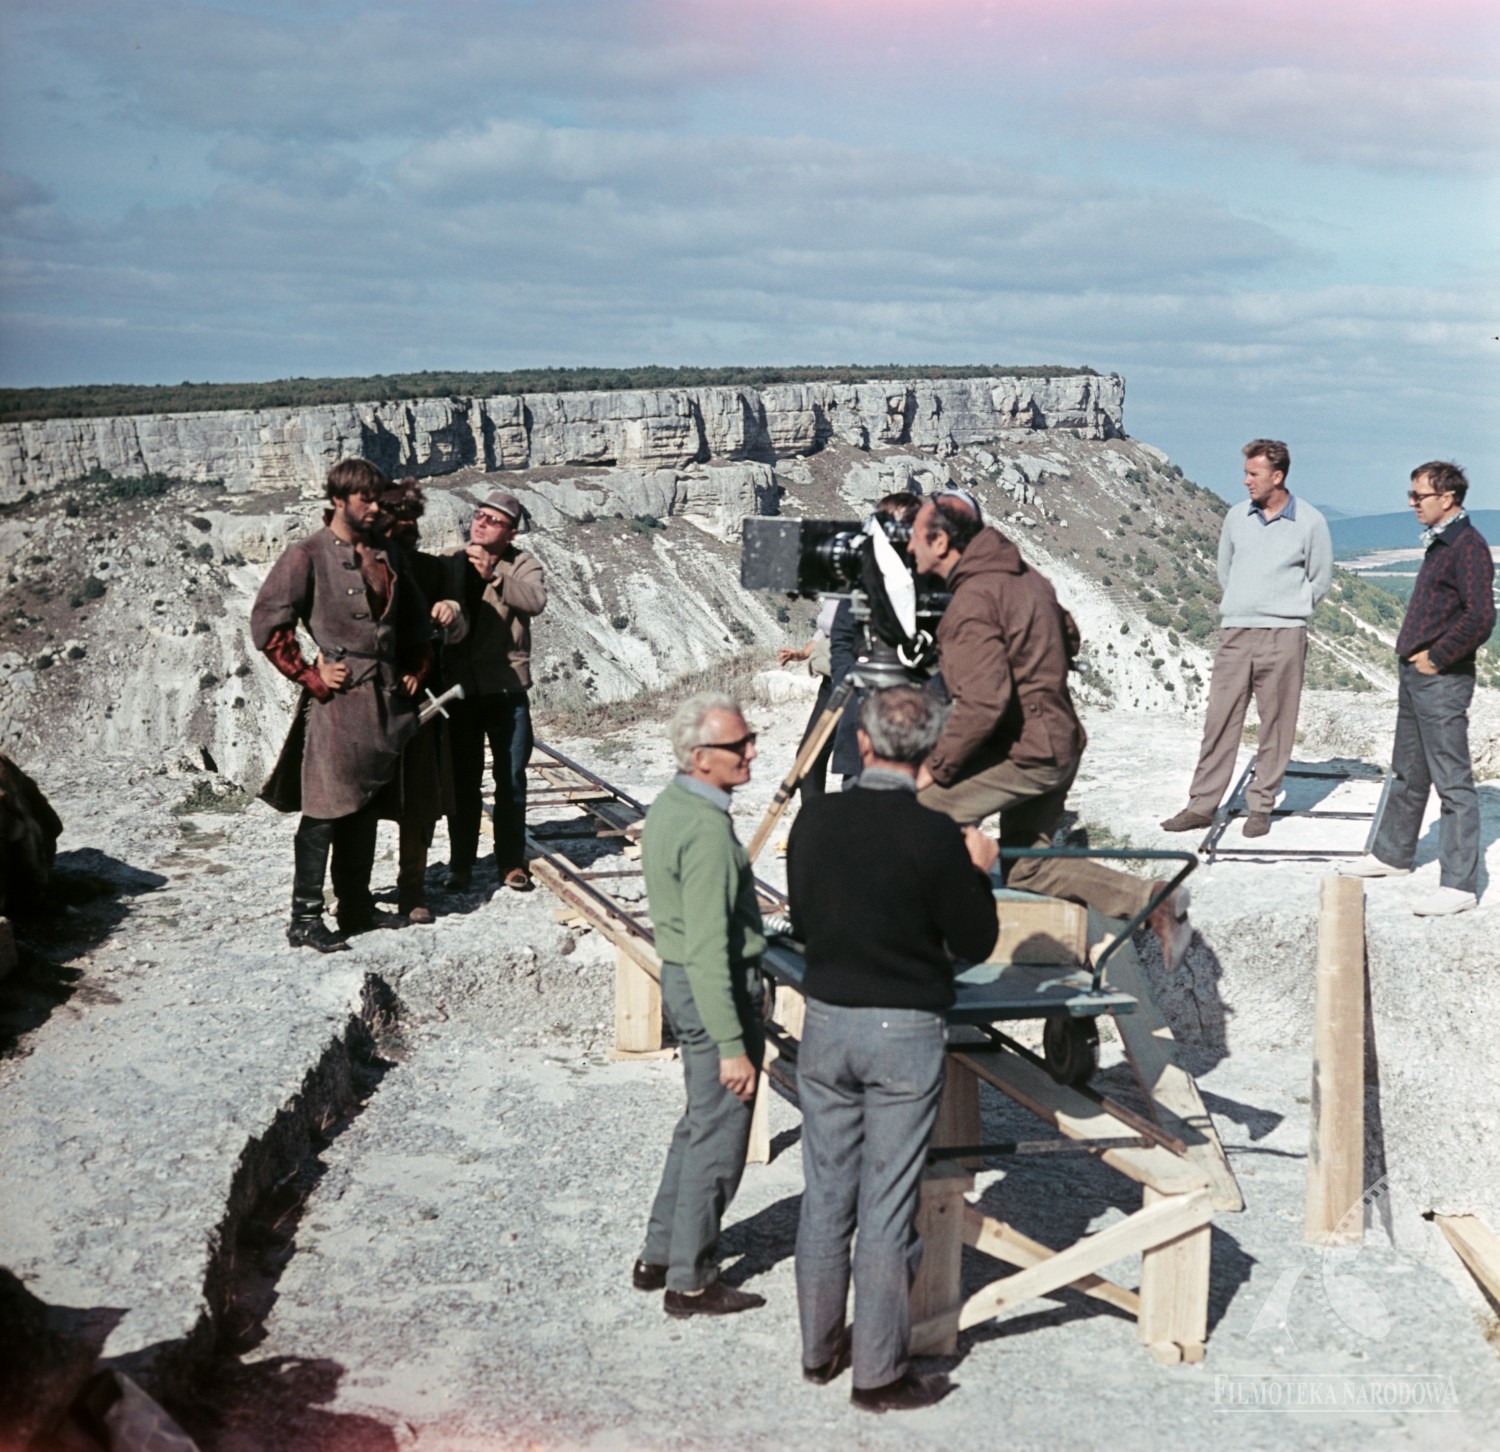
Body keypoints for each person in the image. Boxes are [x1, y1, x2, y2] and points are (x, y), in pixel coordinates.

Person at [787, 685, 999, 1414]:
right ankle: (877, 1375)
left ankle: (819, 1350)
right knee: (886, 1205)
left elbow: (805, 921)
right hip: (903, 1030)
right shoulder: (935, 835)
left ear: (863, 743)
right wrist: (978, 871)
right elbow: (975, 941)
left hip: (827, 1020)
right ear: (929, 751)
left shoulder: (816, 818)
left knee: (826, 1193)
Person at [909, 495, 1190, 966]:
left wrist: (934, 768)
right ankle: (1153, 901)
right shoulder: (1028, 579)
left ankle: (924, 943)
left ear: (940, 542)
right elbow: (1070, 635)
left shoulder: (973, 601)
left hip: (1028, 755)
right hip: (1058, 743)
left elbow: (982, 704)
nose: (909, 547)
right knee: (1027, 868)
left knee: (917, 814)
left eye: (916, 537)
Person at [252, 458, 432, 950]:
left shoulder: (387, 552)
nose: (374, 508)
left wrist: (416, 667)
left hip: (386, 702)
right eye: (364, 499)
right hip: (338, 703)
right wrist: (310, 674)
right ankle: (305, 918)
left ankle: (355, 906)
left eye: (377, 499)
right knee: (326, 806)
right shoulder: (306, 554)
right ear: (338, 500)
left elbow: (415, 623)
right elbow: (267, 623)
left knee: (365, 804)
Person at [634, 693, 768, 1318]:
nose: (751, 753)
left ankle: (659, 1252)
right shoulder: (708, 830)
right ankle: (690, 1281)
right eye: (738, 745)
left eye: (749, 739)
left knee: (697, 1124)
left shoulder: (673, 804)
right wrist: (734, 1047)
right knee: (720, 1137)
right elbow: (712, 948)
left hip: (684, 981)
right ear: (699, 757)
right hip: (715, 988)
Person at [1340, 462, 1494, 915]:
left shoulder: (1468, 546)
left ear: (1447, 498)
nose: (1411, 504)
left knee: (1453, 781)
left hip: (1442, 677)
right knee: (1408, 770)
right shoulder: (1441, 543)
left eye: (1418, 496)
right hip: (1416, 674)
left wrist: (1437, 656)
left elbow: (1481, 616)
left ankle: (1459, 885)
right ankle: (1392, 855)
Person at [1161, 440, 1333, 838]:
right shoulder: (1236, 517)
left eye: (1253, 474)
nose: (1246, 481)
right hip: (1236, 632)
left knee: (1277, 723)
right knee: (1220, 720)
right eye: (1246, 473)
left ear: (1278, 476)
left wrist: (1291, 607)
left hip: (1285, 634)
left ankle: (1260, 806)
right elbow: (1226, 569)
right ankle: (1201, 806)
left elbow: (1320, 578)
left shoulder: (1310, 521)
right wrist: (1244, 603)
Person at [442, 490, 547, 893]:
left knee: (512, 780)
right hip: (461, 692)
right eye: (478, 516)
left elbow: (535, 600)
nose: (481, 523)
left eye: (493, 520)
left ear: (511, 533)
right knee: (463, 783)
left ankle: (510, 862)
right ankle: (461, 865)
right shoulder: (451, 559)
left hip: (506, 690)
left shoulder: (523, 564)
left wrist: (495, 578)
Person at [376, 479, 468, 923]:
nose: (406, 528)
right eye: (398, 520)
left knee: (418, 798)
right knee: (355, 800)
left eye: (411, 520)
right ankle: (351, 892)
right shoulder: (357, 568)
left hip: (419, 698)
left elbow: (458, 630)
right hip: (365, 698)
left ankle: (412, 888)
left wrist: (452, 612)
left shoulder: (431, 571)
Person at [778, 596, 840, 799]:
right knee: (808, 756)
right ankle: (813, 813)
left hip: (861, 680)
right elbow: (827, 624)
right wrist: (805, 652)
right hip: (832, 680)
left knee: (855, 760)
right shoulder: (840, 582)